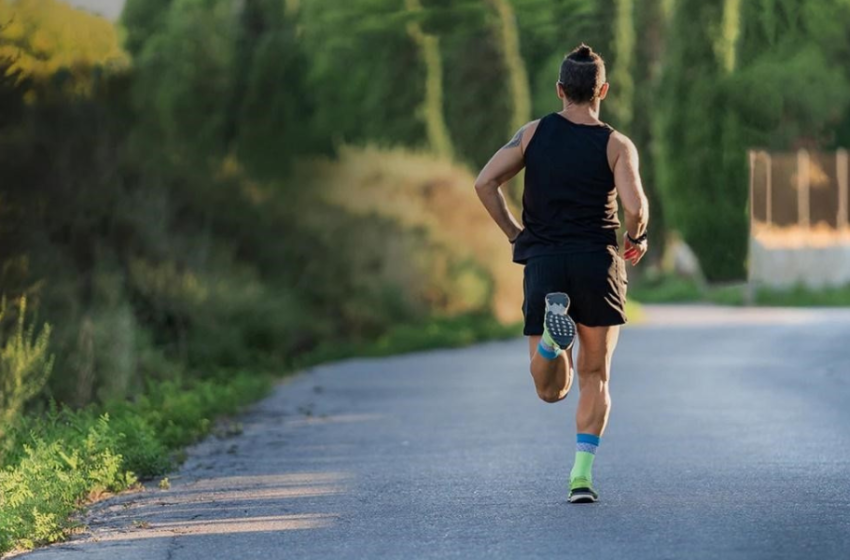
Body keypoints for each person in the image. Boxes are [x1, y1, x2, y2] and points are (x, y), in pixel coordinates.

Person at [473, 43, 649, 503]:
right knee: (595, 377)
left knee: (550, 390)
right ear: (602, 91)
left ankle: (554, 343)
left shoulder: (532, 134)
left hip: (545, 262)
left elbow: (484, 182)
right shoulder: (615, 143)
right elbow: (635, 207)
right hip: (596, 263)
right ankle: (581, 477)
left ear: (560, 90)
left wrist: (516, 234)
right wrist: (637, 237)